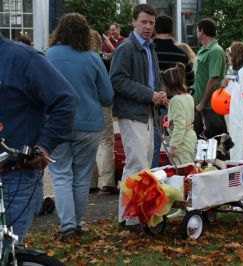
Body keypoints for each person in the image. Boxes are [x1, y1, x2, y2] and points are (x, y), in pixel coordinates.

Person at [0, 33, 78, 242]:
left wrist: (44, 146)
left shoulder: (22, 58)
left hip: (13, 177)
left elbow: (65, 100)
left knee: (7, 249)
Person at [46, 13, 114, 242]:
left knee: (61, 175)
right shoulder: (93, 58)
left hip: (56, 124)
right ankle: (76, 223)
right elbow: (107, 96)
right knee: (82, 177)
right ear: (85, 33)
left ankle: (68, 228)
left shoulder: (49, 56)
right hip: (89, 124)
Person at [109, 4, 166, 227]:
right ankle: (128, 217)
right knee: (136, 164)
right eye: (144, 22)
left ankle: (134, 214)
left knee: (142, 166)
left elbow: (156, 77)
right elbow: (117, 81)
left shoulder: (149, 47)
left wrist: (161, 91)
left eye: (151, 23)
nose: (148, 27)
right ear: (133, 22)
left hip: (147, 112)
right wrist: (150, 94)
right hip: (132, 113)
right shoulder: (125, 48)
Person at [151, 15, 195, 168]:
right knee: (178, 142)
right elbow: (191, 79)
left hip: (152, 103)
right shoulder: (181, 53)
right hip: (177, 103)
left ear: (155, 28)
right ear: (172, 29)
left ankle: (154, 175)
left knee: (154, 145)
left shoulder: (150, 51)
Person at [88, 30, 118, 194]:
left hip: (87, 105)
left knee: (89, 143)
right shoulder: (104, 60)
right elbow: (116, 55)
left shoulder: (82, 60)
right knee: (107, 142)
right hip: (103, 104)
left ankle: (91, 182)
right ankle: (108, 181)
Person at [193, 18, 227, 139]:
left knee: (217, 140)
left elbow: (213, 79)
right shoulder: (203, 49)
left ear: (202, 32)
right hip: (201, 103)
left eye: (197, 30)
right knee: (200, 139)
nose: (196, 33)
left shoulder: (215, 51)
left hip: (211, 105)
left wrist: (202, 103)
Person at [162, 62, 197, 164]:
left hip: (182, 143)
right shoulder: (188, 96)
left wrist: (173, 146)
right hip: (190, 137)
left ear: (169, 85)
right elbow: (185, 115)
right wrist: (170, 107)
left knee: (182, 170)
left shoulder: (175, 100)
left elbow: (180, 125)